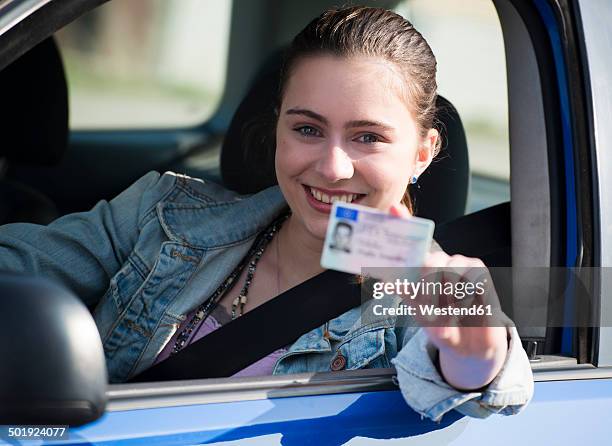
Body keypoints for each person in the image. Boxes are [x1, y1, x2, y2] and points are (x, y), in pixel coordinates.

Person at [0, 6, 533, 421]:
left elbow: (488, 384)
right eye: (307, 129)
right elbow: (17, 267)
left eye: (367, 137)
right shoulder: (164, 213)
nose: (331, 165)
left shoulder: (432, 292)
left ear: (423, 153)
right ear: (276, 127)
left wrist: (473, 360)